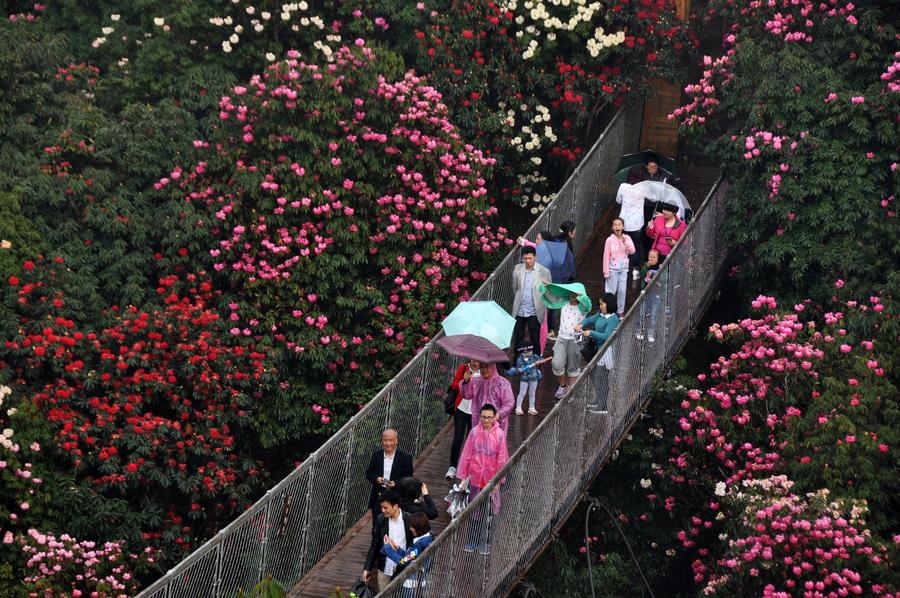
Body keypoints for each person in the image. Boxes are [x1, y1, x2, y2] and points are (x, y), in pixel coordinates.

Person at [456, 403, 509, 555]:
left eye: (489, 417)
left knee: (488, 512)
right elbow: (466, 455)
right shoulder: (474, 432)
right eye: (484, 417)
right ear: (480, 417)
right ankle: (472, 541)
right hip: (475, 478)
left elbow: (502, 459)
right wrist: (463, 477)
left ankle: (485, 543)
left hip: (490, 480)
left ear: (494, 418)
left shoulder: (499, 434)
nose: (486, 420)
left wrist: (498, 481)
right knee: (474, 511)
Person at [546, 283, 592, 398]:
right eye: (571, 292)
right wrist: (547, 287)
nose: (573, 295)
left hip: (576, 338)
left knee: (573, 366)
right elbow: (551, 298)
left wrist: (582, 296)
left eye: (575, 293)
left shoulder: (583, 307)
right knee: (556, 363)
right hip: (562, 337)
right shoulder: (564, 302)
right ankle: (562, 386)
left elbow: (588, 305)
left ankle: (571, 391)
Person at [363, 489, 414, 591]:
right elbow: (375, 545)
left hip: (403, 568)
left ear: (395, 506)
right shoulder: (380, 519)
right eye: (381, 507)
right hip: (384, 569)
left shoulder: (409, 519)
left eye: (385, 507)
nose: (382, 510)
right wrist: (367, 568)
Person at [578, 293, 620, 413]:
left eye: (602, 304)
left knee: (602, 377)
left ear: (609, 305)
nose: (600, 306)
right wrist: (582, 324)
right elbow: (590, 319)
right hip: (598, 349)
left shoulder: (613, 319)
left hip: (606, 351)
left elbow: (606, 336)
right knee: (598, 376)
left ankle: (603, 406)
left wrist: (591, 332)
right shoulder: (601, 314)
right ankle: (598, 401)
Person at [365, 429, 414, 528]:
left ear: (396, 441)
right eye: (385, 440)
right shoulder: (376, 455)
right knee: (377, 526)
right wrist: (377, 479)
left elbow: (409, 478)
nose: (388, 443)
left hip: (396, 496)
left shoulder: (405, 457)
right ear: (382, 441)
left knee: (395, 525)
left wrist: (396, 483)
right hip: (379, 496)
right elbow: (369, 473)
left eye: (391, 440)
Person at [381, 512, 434, 598]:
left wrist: (387, 548)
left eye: (412, 527)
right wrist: (397, 549)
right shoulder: (427, 539)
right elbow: (411, 557)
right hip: (418, 582)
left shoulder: (419, 545)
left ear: (418, 528)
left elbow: (404, 561)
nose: (410, 528)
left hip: (411, 585)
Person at [510, 246, 552, 354]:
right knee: (518, 338)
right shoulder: (517, 269)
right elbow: (515, 288)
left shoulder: (544, 271)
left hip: (535, 311)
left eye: (530, 258)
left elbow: (548, 291)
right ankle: (516, 363)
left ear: (535, 257)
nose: (528, 261)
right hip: (520, 310)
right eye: (525, 258)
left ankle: (536, 362)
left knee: (535, 338)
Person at [446, 360, 480, 478]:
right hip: (461, 408)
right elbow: (454, 385)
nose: (475, 361)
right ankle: (452, 466)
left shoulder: (484, 371)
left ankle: (467, 467)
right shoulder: (463, 368)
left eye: (477, 359)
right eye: (473, 358)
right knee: (457, 438)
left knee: (471, 440)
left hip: (475, 411)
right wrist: (464, 381)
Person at [461, 362, 515, 435]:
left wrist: (498, 415)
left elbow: (509, 403)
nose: (484, 370)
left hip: (497, 425)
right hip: (479, 422)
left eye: (487, 367)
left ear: (492, 368)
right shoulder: (475, 381)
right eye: (482, 367)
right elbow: (467, 395)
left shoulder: (502, 383)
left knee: (494, 444)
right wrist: (466, 382)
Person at [546, 221, 577, 338]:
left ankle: (549, 328)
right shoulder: (563, 244)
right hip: (560, 278)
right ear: (569, 232)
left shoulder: (555, 241)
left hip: (554, 276)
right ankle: (550, 330)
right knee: (556, 304)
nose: (575, 232)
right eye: (574, 230)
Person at [603, 217, 635, 318]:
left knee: (622, 291)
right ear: (612, 227)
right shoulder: (609, 240)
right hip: (612, 269)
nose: (617, 226)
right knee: (611, 291)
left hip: (623, 269)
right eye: (615, 225)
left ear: (623, 227)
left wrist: (625, 242)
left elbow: (632, 251)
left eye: (619, 224)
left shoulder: (627, 238)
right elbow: (606, 255)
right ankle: (607, 310)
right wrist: (606, 272)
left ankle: (620, 311)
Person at [506, 345, 548, 416]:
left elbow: (543, 360)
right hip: (524, 379)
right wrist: (519, 369)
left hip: (534, 378)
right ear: (523, 352)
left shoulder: (535, 356)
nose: (530, 353)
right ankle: (518, 407)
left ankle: (531, 407)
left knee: (532, 393)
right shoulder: (520, 359)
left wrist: (539, 361)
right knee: (522, 393)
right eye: (528, 352)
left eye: (531, 351)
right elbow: (518, 368)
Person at [615, 182, 646, 272]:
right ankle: (636, 267)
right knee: (636, 246)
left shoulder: (623, 186)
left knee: (623, 245)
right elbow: (652, 199)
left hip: (624, 223)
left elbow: (618, 200)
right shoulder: (643, 188)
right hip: (637, 224)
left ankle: (622, 265)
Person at [635, 250, 662, 343]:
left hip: (656, 294)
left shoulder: (661, 266)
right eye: (650, 256)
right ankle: (639, 329)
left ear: (658, 258)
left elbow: (663, 278)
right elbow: (640, 274)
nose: (652, 259)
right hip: (645, 293)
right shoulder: (646, 265)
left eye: (654, 257)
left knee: (654, 314)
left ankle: (651, 332)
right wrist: (647, 266)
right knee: (642, 311)